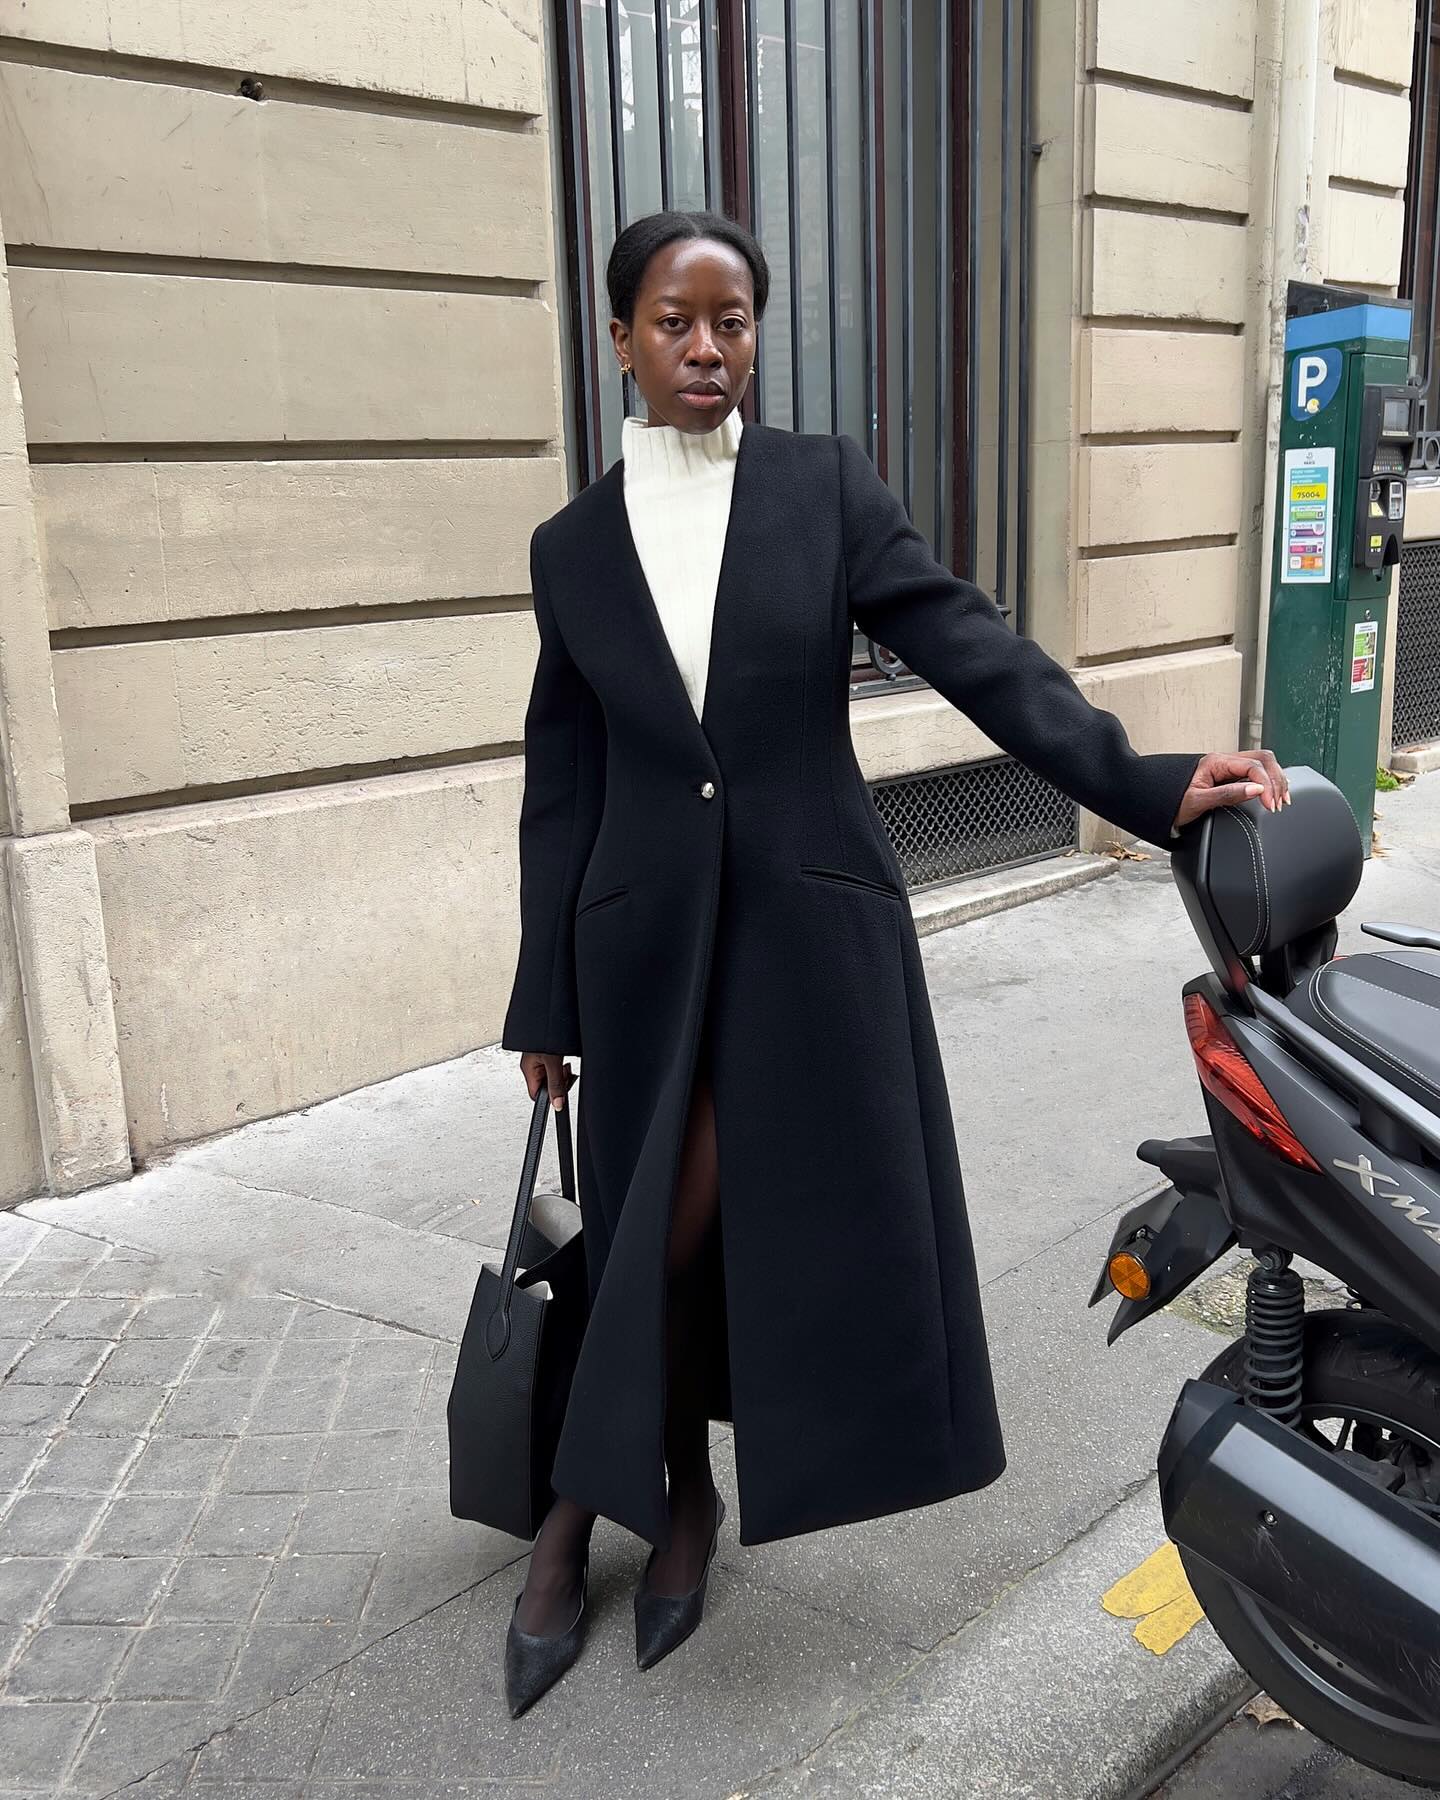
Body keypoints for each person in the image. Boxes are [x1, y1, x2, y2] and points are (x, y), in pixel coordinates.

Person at [496, 207, 1289, 1717]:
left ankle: (583, 1516)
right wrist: (543, 998)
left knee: (684, 1225)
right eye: (676, 321)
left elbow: (970, 646)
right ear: (620, 340)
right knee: (660, 1226)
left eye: (733, 320)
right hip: (639, 952)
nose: (710, 348)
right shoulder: (570, 551)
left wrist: (1138, 777)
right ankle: (662, 1499)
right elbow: (564, 783)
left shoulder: (820, 491)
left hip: (803, 940)